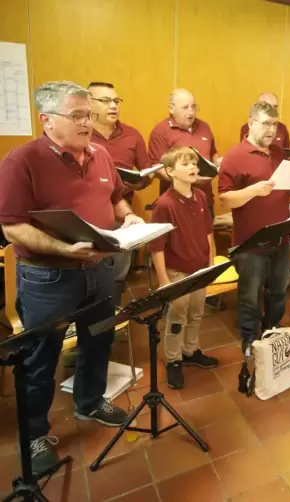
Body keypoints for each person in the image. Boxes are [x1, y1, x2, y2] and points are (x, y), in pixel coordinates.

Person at [0, 81, 142, 474]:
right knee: (40, 358)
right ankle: (34, 433)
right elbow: (12, 228)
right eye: (77, 115)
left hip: (98, 271)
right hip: (48, 278)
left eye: (88, 114)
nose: (88, 122)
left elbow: (115, 197)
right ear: (47, 121)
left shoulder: (99, 155)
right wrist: (65, 250)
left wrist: (126, 216)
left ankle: (90, 401)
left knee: (98, 340)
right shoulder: (21, 161)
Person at [219, 102, 290, 348]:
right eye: (265, 124)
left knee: (279, 291)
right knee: (250, 296)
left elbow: (285, 191)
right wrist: (252, 190)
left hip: (281, 237)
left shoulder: (280, 153)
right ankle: (250, 337)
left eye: (275, 124)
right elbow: (225, 198)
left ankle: (271, 330)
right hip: (251, 241)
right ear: (251, 123)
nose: (272, 130)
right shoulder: (234, 156)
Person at [148, 147, 219, 389]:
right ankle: (173, 360)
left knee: (196, 312)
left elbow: (209, 232)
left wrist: (211, 262)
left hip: (200, 268)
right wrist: (164, 280)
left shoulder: (200, 196)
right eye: (186, 164)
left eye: (195, 164)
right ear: (170, 172)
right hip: (177, 271)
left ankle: (190, 350)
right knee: (177, 316)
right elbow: (156, 247)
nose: (193, 168)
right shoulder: (164, 205)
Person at [88, 81, 151, 304]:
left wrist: (138, 182)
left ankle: (112, 315)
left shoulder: (132, 135)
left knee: (118, 271)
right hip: (87, 213)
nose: (113, 106)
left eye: (116, 101)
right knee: (88, 270)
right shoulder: (80, 134)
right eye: (105, 101)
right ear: (89, 102)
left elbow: (146, 174)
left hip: (121, 209)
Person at [147, 88, 222, 215]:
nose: (191, 112)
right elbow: (157, 168)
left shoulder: (204, 127)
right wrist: (189, 178)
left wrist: (220, 162)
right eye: (185, 108)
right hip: (175, 203)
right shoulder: (160, 131)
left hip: (205, 200)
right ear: (171, 108)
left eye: (193, 107)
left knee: (207, 235)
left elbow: (213, 154)